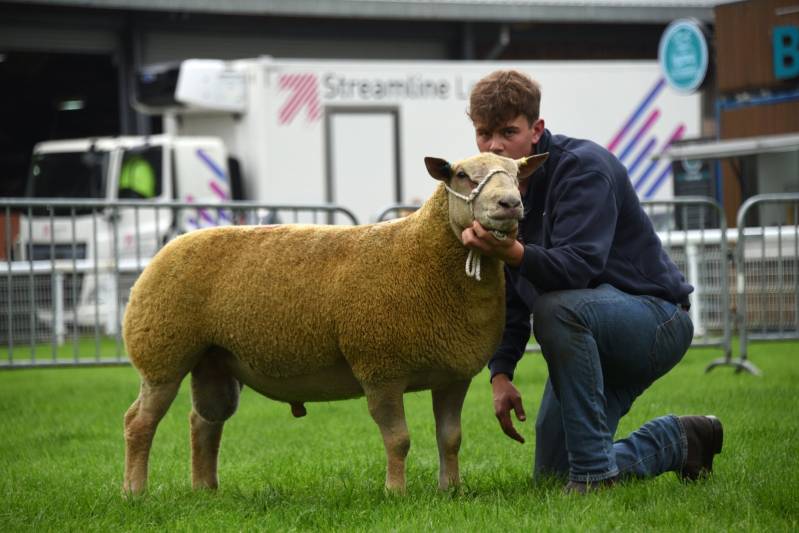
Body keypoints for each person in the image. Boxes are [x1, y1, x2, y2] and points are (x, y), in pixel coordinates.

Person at [461, 70, 723, 493]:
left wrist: (509, 252)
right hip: (585, 336)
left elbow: (577, 268)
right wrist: (501, 373)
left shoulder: (584, 168)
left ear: (536, 130)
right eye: (483, 133)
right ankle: (681, 439)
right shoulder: (497, 192)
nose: (494, 146)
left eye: (508, 131)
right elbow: (512, 294)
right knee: (551, 475)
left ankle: (593, 478)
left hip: (655, 319)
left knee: (556, 307)